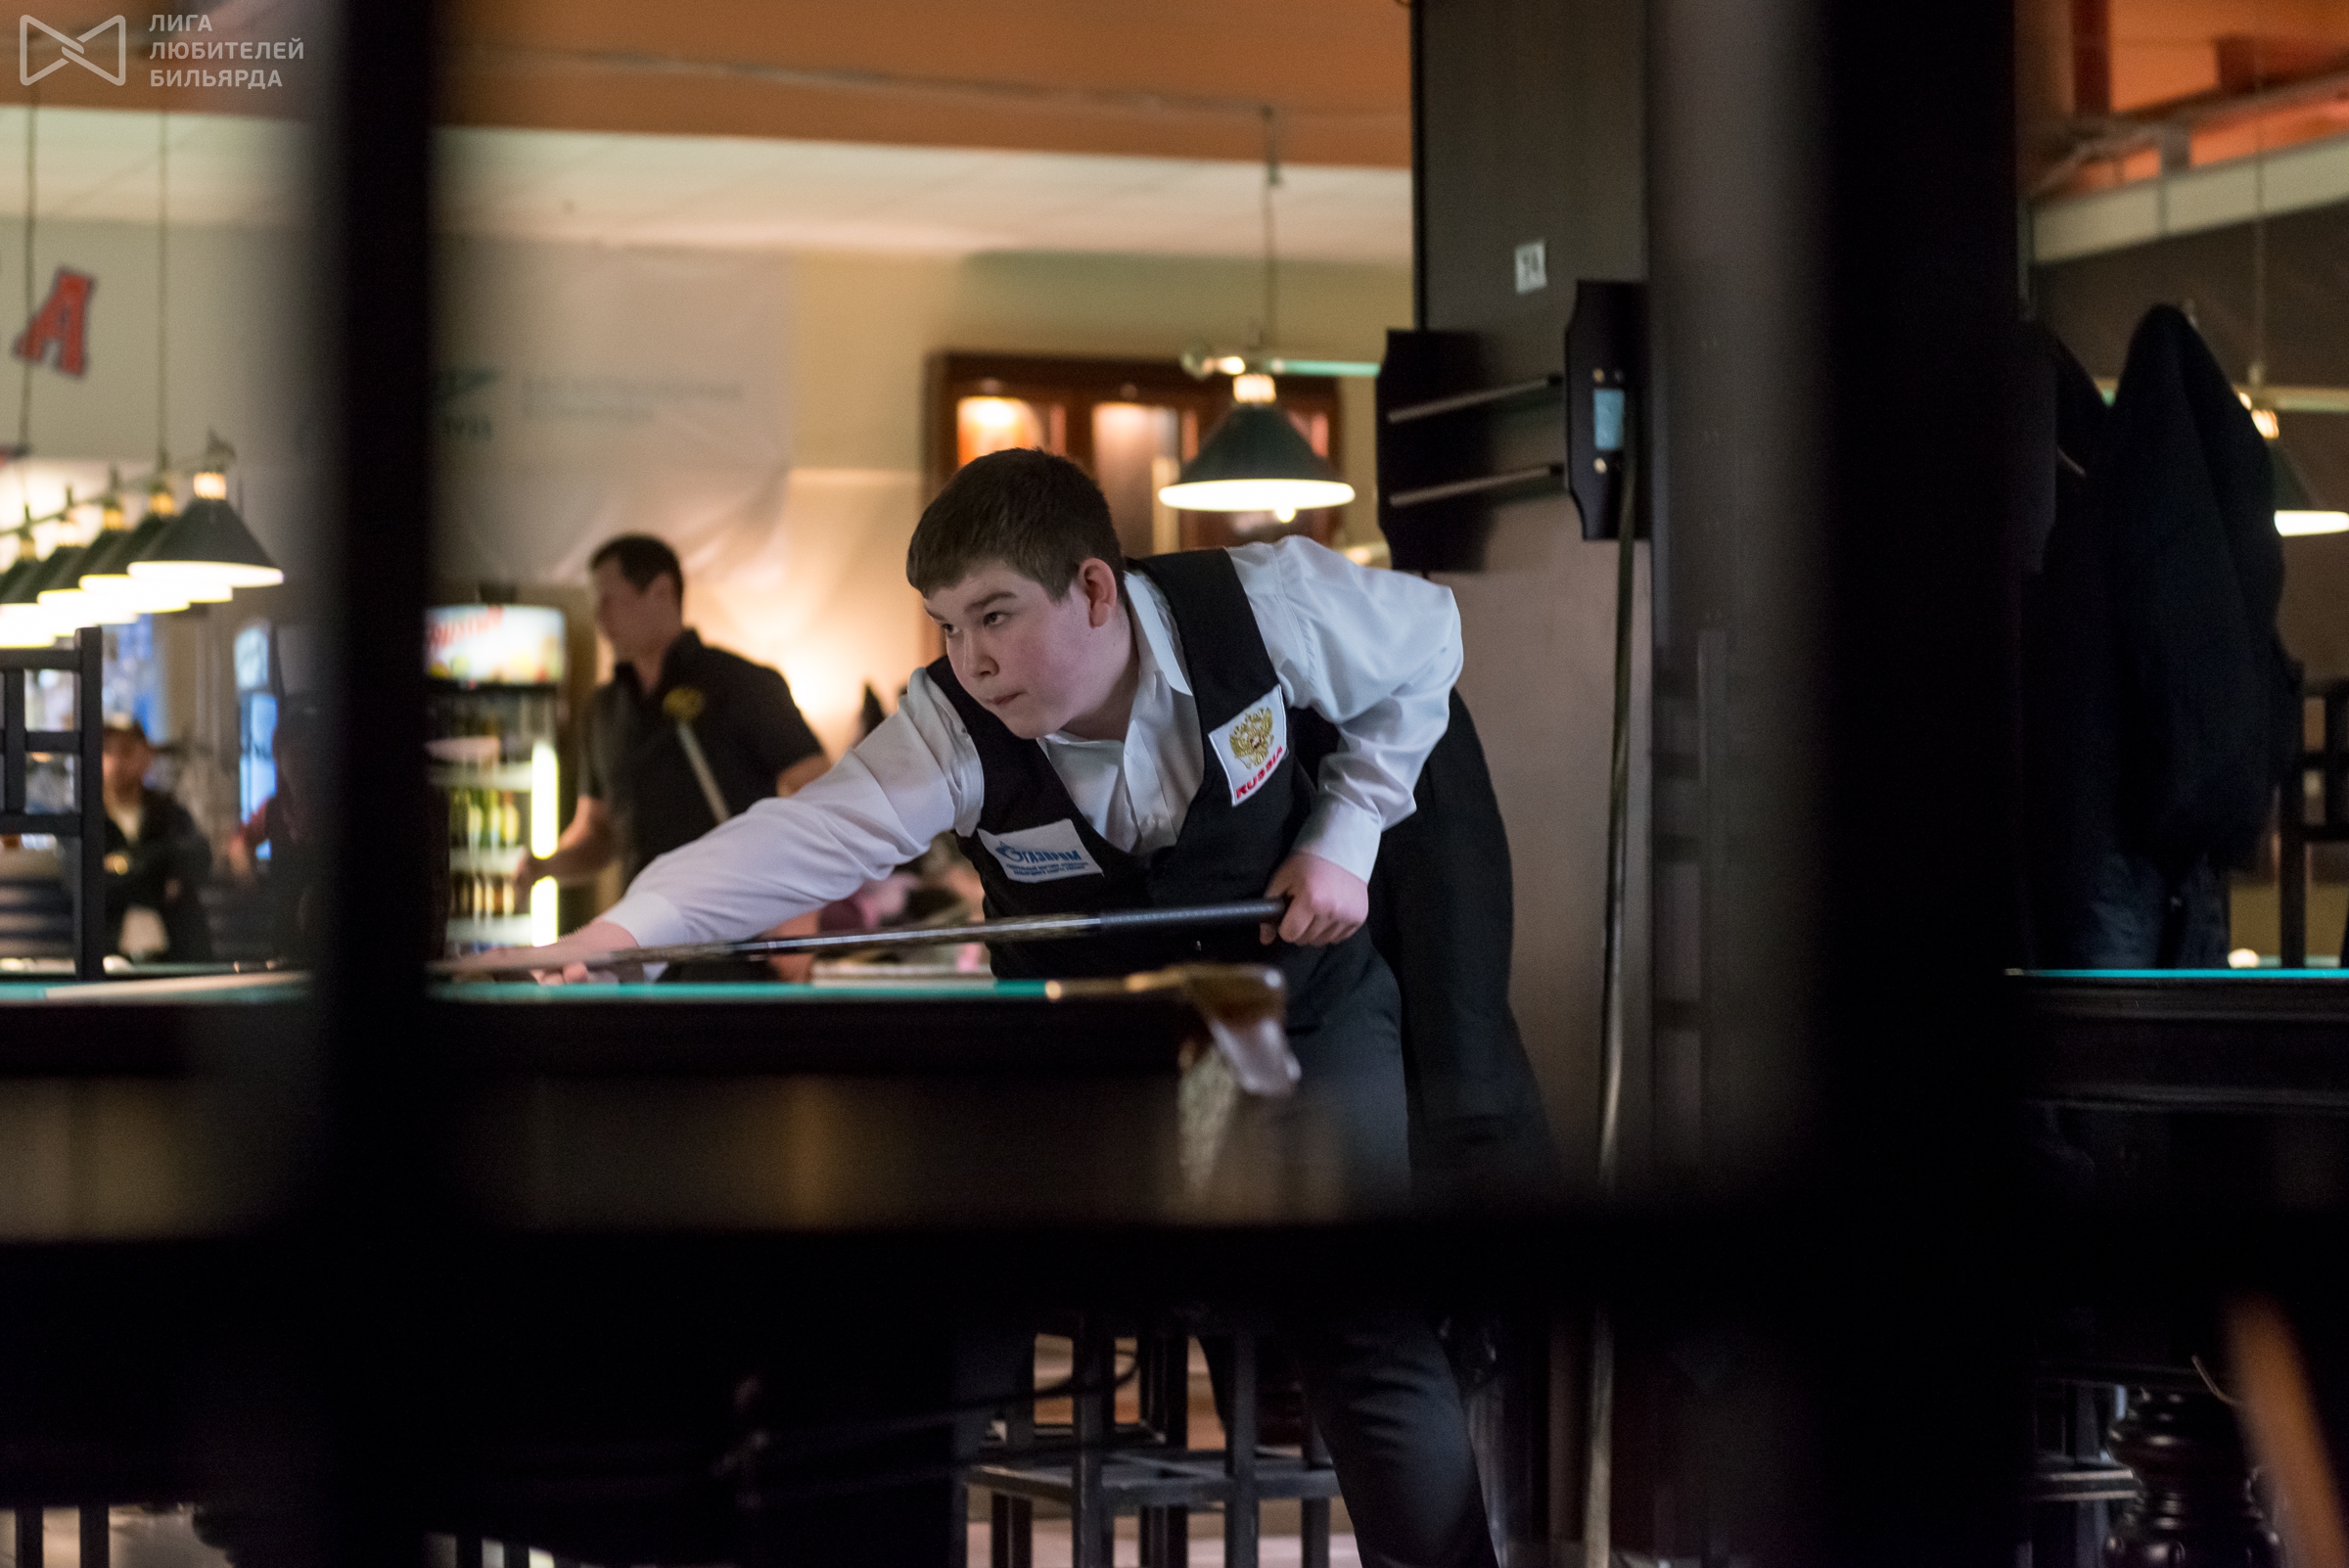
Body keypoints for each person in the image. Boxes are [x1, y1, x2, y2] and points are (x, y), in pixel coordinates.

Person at [484, 449, 1499, 1568]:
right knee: (941, 1291)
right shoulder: (949, 728)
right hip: (1094, 1059)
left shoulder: (1265, 606)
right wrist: (622, 937)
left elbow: (1427, 640)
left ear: (1095, 590)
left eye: (996, 616)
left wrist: (1347, 834)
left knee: (1360, 1313)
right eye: (947, 626)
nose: (970, 660)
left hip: (1303, 1016)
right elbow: (804, 836)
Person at [514, 533, 830, 979]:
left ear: (661, 592)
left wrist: (799, 911)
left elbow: (822, 794)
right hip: (645, 946)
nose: (599, 616)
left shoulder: (742, 683)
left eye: (609, 600)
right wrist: (544, 866)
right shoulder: (602, 709)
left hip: (738, 943)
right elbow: (598, 832)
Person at [100, 715, 213, 963]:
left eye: (126, 751)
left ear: (146, 756)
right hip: (107, 961)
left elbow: (200, 856)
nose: (116, 761)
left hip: (177, 958)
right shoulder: (86, 820)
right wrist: (162, 877)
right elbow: (90, 886)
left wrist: (124, 867)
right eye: (107, 751)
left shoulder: (169, 812)